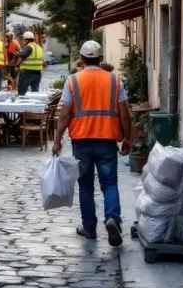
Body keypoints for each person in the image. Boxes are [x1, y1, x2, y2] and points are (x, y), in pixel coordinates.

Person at [52, 40, 132, 247]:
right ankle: (112, 218)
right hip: (107, 141)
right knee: (109, 183)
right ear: (101, 58)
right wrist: (128, 138)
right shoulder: (115, 81)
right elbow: (125, 114)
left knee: (85, 185)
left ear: (81, 60)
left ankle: (89, 228)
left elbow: (64, 114)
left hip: (82, 141)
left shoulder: (73, 81)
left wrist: (57, 140)